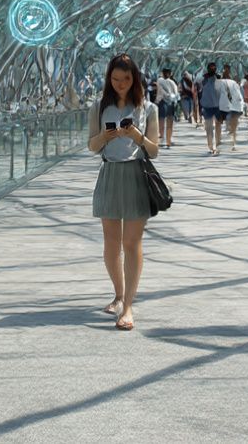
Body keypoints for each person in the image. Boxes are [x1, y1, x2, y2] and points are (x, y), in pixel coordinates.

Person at [88, 53, 160, 331]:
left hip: (135, 174)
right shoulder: (98, 106)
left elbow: (154, 150)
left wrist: (136, 136)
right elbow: (92, 146)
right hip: (109, 173)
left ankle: (128, 306)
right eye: (115, 79)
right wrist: (105, 137)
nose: (121, 84)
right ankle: (118, 294)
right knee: (110, 244)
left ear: (135, 79)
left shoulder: (147, 108)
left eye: (126, 79)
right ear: (109, 79)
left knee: (132, 243)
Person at [198, 61, 225, 155]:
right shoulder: (203, 79)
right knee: (209, 128)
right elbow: (199, 89)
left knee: (218, 126)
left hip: (218, 106)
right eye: (211, 68)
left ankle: (217, 145)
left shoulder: (219, 78)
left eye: (214, 68)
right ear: (208, 68)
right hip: (207, 106)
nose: (213, 69)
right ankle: (210, 147)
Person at [219, 64, 244, 151]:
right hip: (233, 107)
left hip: (228, 107)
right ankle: (233, 143)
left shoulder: (221, 82)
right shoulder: (233, 82)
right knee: (233, 126)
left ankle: (231, 142)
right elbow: (238, 95)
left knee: (231, 125)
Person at [156, 68, 180, 148]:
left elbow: (160, 91)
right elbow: (176, 93)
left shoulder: (159, 80)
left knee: (161, 120)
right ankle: (168, 141)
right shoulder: (173, 82)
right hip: (171, 102)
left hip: (162, 102)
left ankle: (162, 138)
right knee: (169, 122)